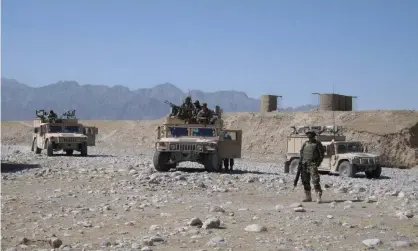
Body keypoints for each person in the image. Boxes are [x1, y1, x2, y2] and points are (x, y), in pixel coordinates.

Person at [299, 130, 325, 203]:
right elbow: (301, 152)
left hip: (312, 164)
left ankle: (318, 196)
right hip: (304, 164)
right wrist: (301, 162)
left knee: (315, 180)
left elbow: (322, 154)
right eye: (308, 135)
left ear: (313, 136)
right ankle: (308, 196)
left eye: (311, 135)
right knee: (305, 180)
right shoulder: (305, 143)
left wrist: (317, 163)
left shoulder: (317, 144)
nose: (309, 137)